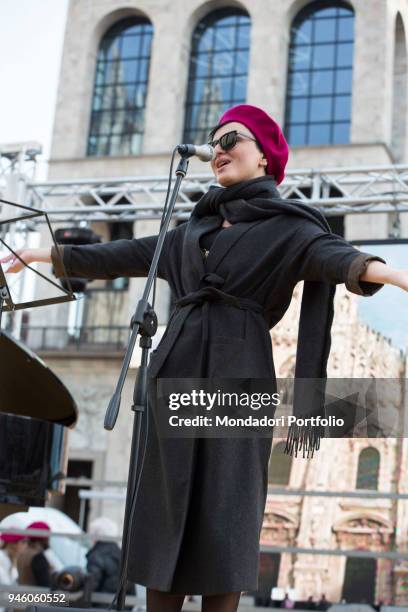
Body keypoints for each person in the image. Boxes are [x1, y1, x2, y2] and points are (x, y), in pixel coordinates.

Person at [2, 104, 407, 612]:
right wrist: (44, 255)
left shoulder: (292, 228)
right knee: (164, 510)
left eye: (231, 139)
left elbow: (338, 258)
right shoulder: (190, 233)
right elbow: (124, 254)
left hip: (240, 377)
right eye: (213, 141)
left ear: (264, 155)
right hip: (174, 371)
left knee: (226, 511)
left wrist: (392, 275)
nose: (218, 149)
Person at [86, 516, 135, 600]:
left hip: (100, 607)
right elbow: (131, 590)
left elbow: (90, 587)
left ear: (96, 536)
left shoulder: (96, 555)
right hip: (122, 607)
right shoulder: (122, 555)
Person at [16, 521, 52, 587]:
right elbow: (45, 584)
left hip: (22, 596)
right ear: (43, 538)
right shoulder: (37, 557)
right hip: (34, 596)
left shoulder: (23, 553)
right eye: (48, 536)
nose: (49, 540)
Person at [0, 530, 26, 612]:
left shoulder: (9, 557)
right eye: (23, 542)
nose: (25, 545)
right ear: (14, 544)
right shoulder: (2, 558)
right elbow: (8, 584)